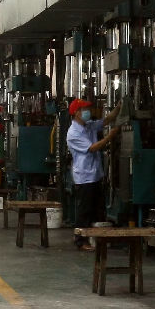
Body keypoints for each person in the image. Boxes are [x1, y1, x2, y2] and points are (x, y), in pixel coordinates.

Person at [66, 97, 120, 246]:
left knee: (97, 209)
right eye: (85, 109)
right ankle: (80, 241)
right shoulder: (73, 133)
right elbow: (92, 148)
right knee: (84, 211)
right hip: (84, 177)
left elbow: (106, 120)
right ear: (77, 113)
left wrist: (118, 108)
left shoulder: (88, 126)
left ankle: (97, 239)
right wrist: (110, 136)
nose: (88, 112)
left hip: (95, 174)